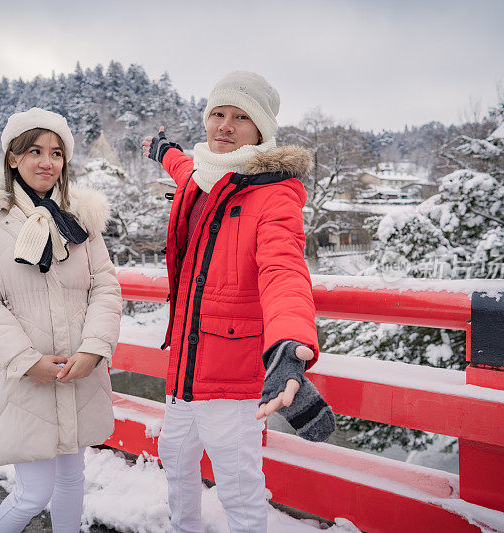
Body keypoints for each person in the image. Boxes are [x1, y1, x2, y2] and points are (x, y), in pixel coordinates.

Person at [141, 72, 335, 532]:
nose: (225, 126)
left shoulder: (273, 196)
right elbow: (179, 165)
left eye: (241, 118)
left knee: (239, 488)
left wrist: (290, 344)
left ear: (261, 131)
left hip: (231, 372)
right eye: (218, 114)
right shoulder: (202, 174)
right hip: (186, 365)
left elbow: (284, 272)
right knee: (175, 459)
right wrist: (161, 150)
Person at [0, 107, 122, 532]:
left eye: (56, 153)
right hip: (24, 374)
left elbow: (105, 285)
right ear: (12, 158)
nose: (47, 162)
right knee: (33, 492)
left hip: (78, 369)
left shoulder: (80, 220)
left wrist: (94, 348)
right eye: (35, 151)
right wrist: (27, 359)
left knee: (72, 478)